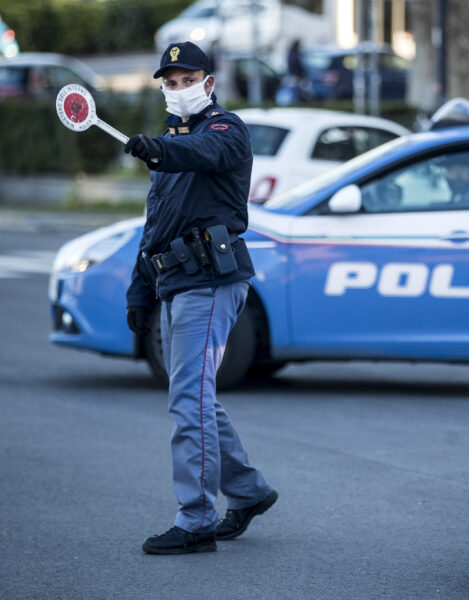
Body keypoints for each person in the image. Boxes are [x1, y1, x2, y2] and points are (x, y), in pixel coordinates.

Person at [124, 41, 277, 555]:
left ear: (209, 83)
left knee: (188, 399)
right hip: (174, 283)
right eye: (170, 82)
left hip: (210, 281)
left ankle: (196, 520)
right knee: (196, 398)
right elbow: (155, 226)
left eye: (189, 80)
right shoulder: (170, 142)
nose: (179, 88)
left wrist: (160, 149)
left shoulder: (224, 130)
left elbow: (203, 154)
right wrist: (139, 289)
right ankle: (249, 492)